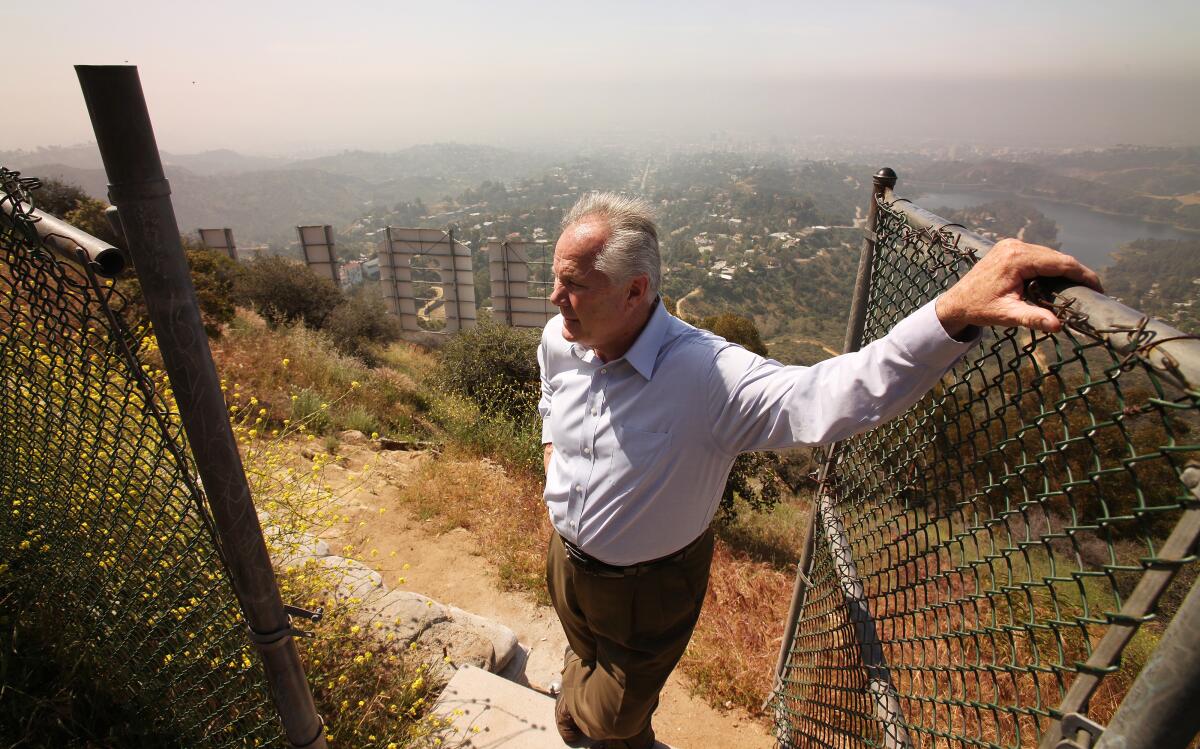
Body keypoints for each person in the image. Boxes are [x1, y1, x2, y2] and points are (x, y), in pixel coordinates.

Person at [538, 192, 1100, 749]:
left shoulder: (707, 376)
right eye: (558, 279)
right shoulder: (560, 342)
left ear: (636, 290)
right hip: (565, 557)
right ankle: (596, 692)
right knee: (585, 649)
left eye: (576, 285)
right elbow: (550, 400)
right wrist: (551, 468)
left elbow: (833, 393)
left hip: (649, 584)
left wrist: (951, 311)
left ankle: (587, 711)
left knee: (610, 715)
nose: (556, 296)